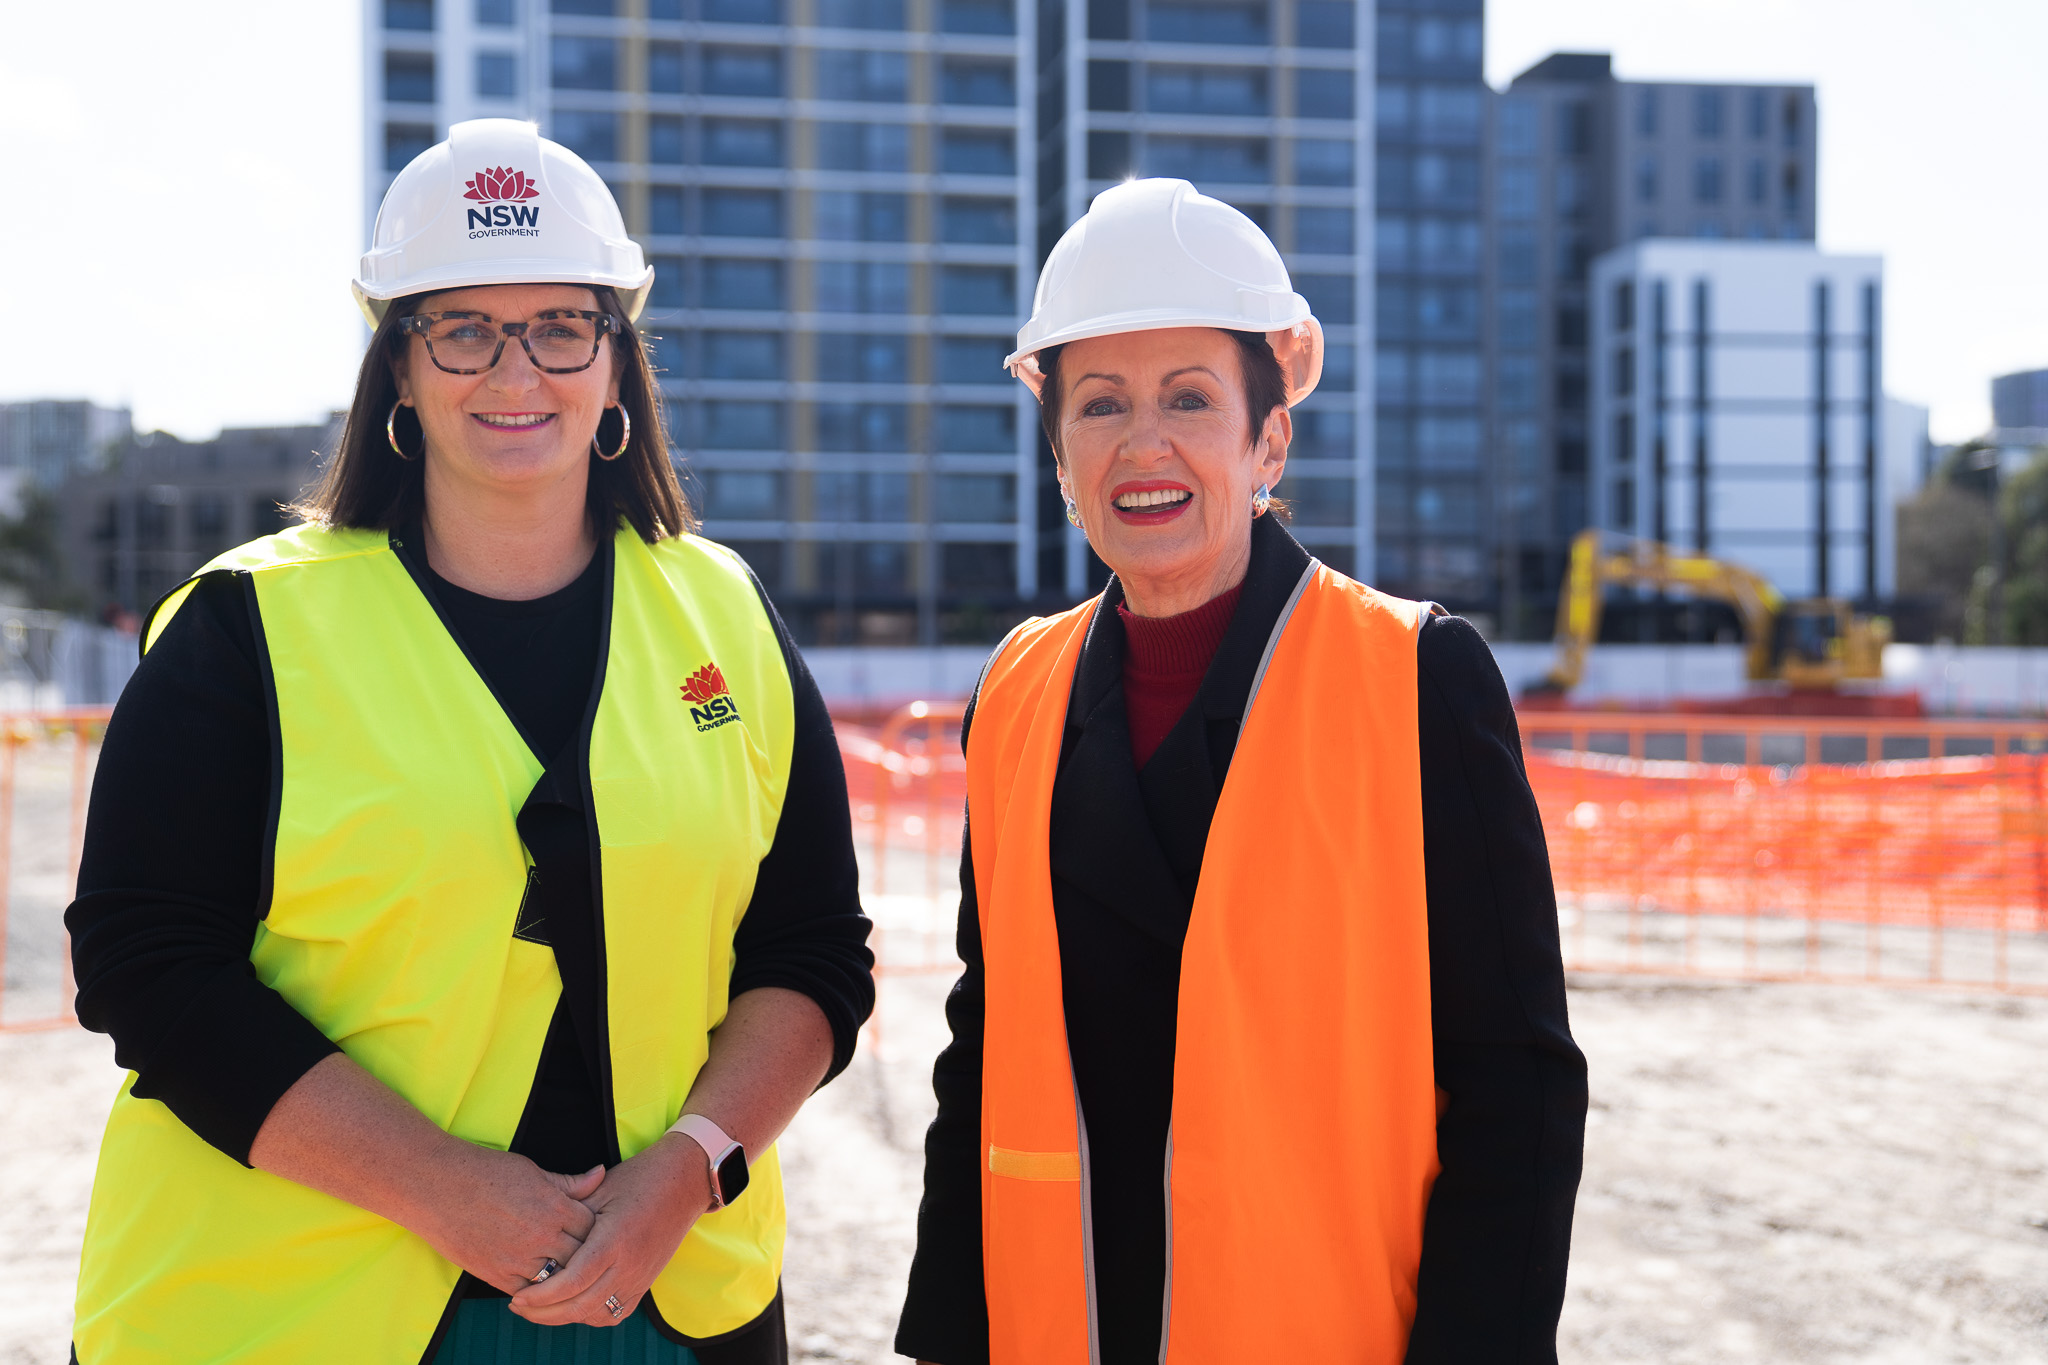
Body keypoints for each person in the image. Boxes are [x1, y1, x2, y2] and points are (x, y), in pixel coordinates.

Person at [65, 119, 872, 1364]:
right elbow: (147, 965)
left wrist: (688, 1169)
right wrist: (441, 1186)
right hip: (291, 1314)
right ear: (398, 365)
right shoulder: (246, 627)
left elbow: (810, 953)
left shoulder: (725, 615)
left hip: (661, 1300)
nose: (516, 373)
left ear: (616, 361)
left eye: (560, 326)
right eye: (463, 330)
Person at [894, 179, 1588, 1365]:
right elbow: (985, 1038)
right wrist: (949, 1339)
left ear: (1268, 436)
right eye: (1098, 404)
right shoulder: (1016, 690)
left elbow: (1512, 1082)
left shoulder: (1415, 674)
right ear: (1058, 452)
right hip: (1069, 1327)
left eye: (1188, 399)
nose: (1142, 443)